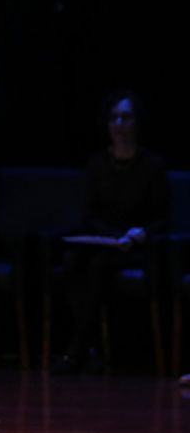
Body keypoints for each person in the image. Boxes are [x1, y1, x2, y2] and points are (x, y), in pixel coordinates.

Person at [53, 92, 171, 374]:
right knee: (71, 262)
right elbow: (90, 213)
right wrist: (110, 236)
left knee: (98, 267)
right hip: (105, 239)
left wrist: (138, 234)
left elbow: (164, 218)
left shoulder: (153, 166)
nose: (119, 124)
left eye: (126, 117)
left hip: (136, 246)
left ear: (137, 122)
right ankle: (90, 345)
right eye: (114, 118)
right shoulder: (97, 164)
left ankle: (77, 349)